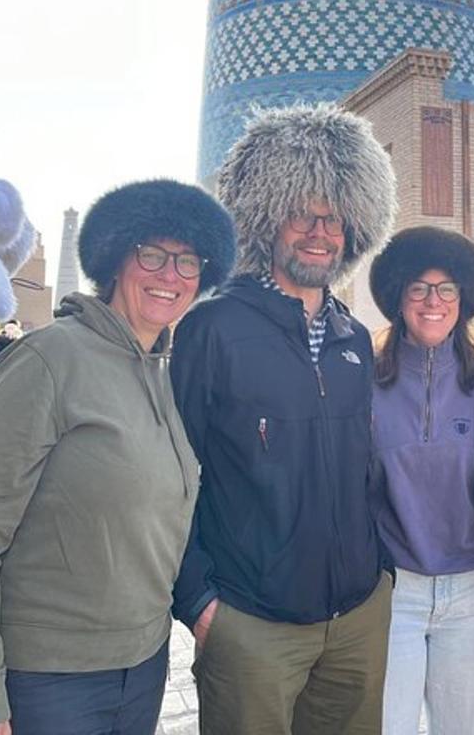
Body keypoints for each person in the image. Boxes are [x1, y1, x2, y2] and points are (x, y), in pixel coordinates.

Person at [0, 180, 236, 735]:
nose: (170, 275)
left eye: (188, 262)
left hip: (143, 666)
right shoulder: (48, 360)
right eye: (153, 255)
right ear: (116, 260)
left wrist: (199, 602)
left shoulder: (165, 374)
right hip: (49, 678)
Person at [170, 104, 397, 735]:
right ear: (268, 218)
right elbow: (173, 477)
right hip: (251, 625)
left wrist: (379, 573)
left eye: (334, 216)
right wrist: (199, 602)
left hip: (356, 619)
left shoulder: (354, 341)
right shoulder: (213, 329)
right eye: (302, 212)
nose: (319, 231)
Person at [367, 226, 474, 735]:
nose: (432, 301)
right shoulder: (367, 378)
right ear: (400, 297)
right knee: (387, 726)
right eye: (419, 288)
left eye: (446, 289)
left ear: (462, 301)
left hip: (470, 590)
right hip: (394, 588)